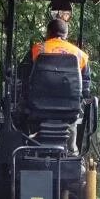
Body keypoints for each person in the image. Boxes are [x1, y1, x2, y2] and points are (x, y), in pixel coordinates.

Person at [26, 18, 90, 154]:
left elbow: (24, 76)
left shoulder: (38, 49)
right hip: (69, 112)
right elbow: (85, 87)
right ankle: (72, 153)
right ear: (66, 34)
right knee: (72, 134)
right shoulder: (80, 55)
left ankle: (30, 145)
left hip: (38, 109)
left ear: (48, 33)